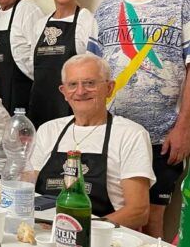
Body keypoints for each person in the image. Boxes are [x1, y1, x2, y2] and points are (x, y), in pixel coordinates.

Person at [86, 0, 190, 237]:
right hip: (112, 136)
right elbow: (92, 71)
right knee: (115, 213)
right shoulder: (106, 8)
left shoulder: (184, 2)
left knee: (151, 219)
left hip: (162, 137)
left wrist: (184, 127)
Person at [31, 54, 155, 229]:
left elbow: (138, 212)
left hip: (101, 236)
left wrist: (77, 229)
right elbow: (27, 187)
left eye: (90, 83)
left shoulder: (130, 134)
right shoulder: (48, 130)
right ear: (64, 92)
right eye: (73, 84)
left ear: (109, 88)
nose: (81, 91)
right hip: (44, 232)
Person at [27, 0, 96, 128]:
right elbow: (32, 68)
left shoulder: (86, 20)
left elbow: (94, 69)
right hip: (40, 106)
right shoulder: (40, 24)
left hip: (73, 109)